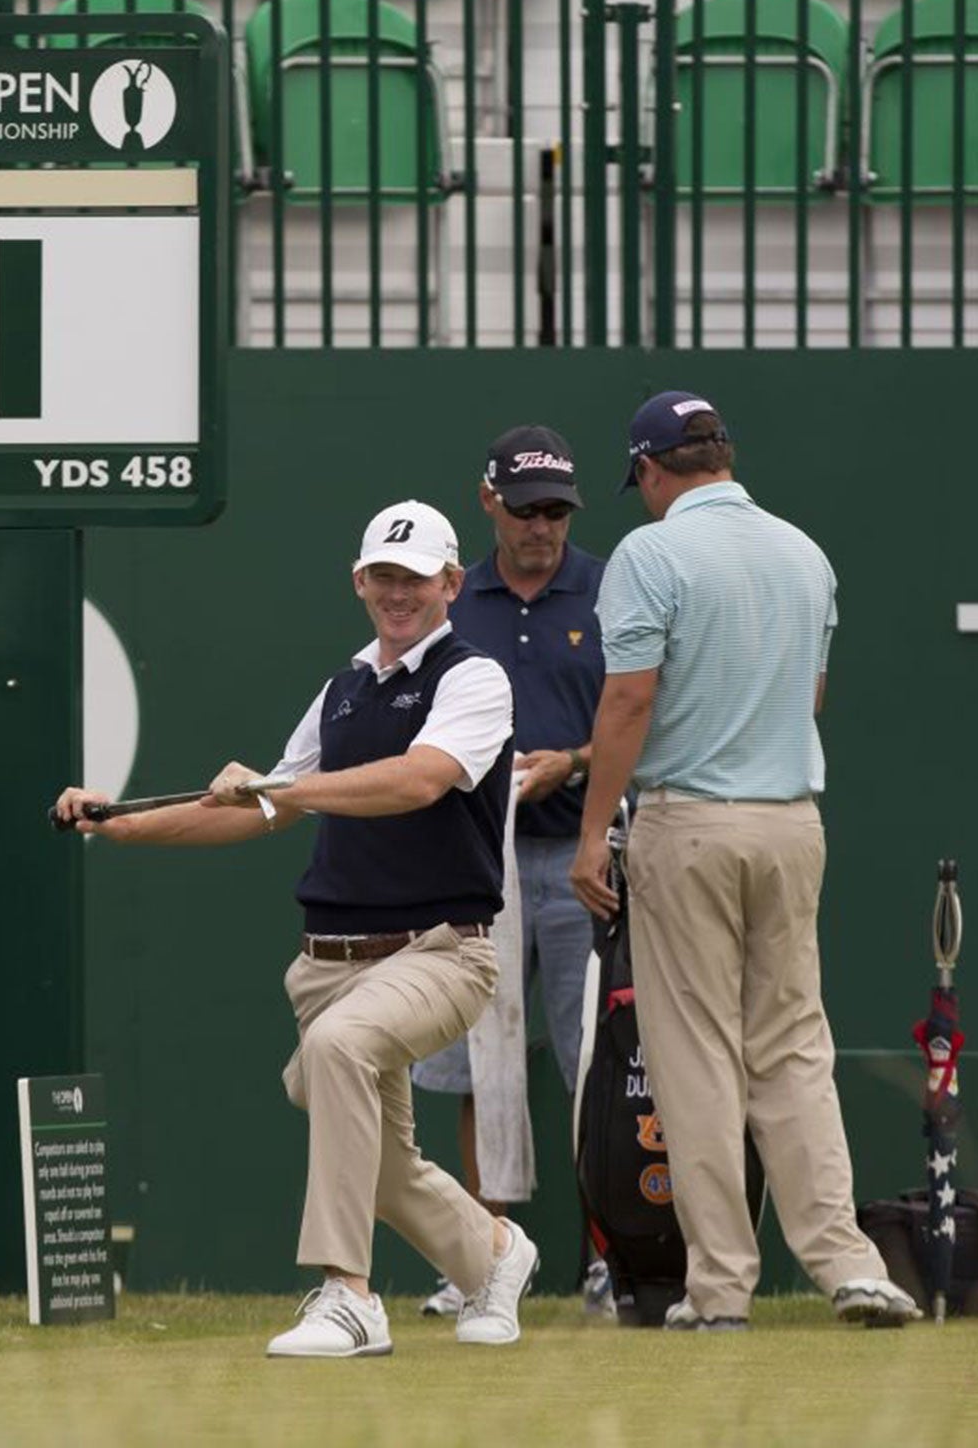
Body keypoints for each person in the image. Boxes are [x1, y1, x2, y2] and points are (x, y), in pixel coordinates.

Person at [55, 499, 539, 1358]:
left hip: (441, 953)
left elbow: (418, 781)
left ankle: (349, 1297)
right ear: (360, 582)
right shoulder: (343, 691)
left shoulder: (475, 678)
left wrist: (286, 789)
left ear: (450, 585)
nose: (397, 593)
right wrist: (120, 823)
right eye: (382, 577)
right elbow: (254, 809)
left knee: (339, 1052)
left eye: (415, 579)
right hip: (328, 965)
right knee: (375, 1158)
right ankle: (494, 1254)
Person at [568, 390, 917, 1330]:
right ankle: (850, 1264)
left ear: (649, 469)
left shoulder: (650, 553)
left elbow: (629, 703)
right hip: (791, 822)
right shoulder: (805, 553)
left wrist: (596, 826)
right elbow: (809, 696)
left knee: (695, 1059)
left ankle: (721, 1288)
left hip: (689, 824)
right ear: (722, 455)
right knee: (796, 1049)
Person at [409, 425, 609, 1319]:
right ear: (487, 501)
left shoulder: (607, 588)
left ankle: (613, 1258)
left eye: (558, 511)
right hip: (470, 862)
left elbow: (647, 716)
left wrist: (573, 759)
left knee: (596, 1068)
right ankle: (480, 1261)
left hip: (577, 858)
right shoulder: (455, 600)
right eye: (527, 510)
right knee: (472, 1071)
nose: (543, 528)